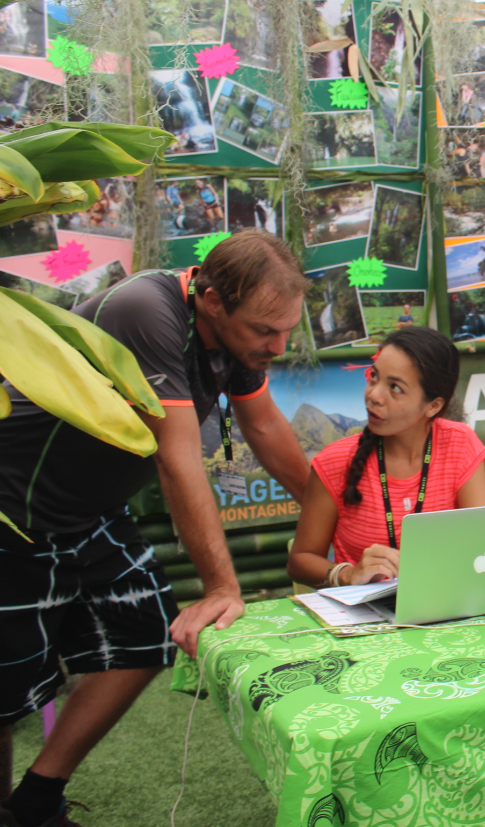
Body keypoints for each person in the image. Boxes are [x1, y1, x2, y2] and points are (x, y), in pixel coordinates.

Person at [0, 229, 312, 827]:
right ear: (213, 300)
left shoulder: (239, 338)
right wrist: (222, 587)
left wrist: (334, 522)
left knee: (145, 636)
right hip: (15, 514)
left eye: (286, 330)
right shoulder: (145, 309)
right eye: (264, 331)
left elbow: (266, 427)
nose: (277, 345)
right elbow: (178, 457)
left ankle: (34, 803)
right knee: (3, 699)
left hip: (90, 514)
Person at [288, 327, 485, 586]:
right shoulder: (334, 462)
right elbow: (300, 561)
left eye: (395, 388)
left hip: (445, 600)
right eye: (374, 377)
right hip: (366, 609)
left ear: (433, 406)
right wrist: (347, 574)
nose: (373, 396)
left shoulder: (460, 444)